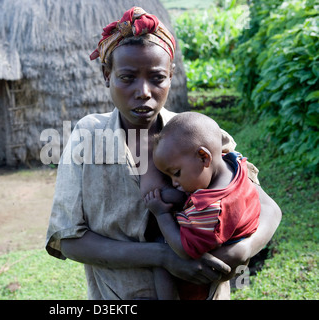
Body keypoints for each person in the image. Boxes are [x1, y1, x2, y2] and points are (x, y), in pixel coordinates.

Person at [45, 6, 281, 300]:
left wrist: (243, 249)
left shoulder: (195, 132)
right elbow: (68, 238)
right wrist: (162, 255)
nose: (143, 91)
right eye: (127, 77)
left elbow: (269, 208)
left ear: (171, 75)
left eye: (157, 78)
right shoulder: (87, 138)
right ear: (108, 75)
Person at [144, 112, 261, 299]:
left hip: (201, 276)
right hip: (221, 232)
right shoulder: (234, 164)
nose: (174, 182)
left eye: (176, 173)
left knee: (161, 253)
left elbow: (184, 250)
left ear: (203, 157)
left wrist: (161, 215)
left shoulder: (211, 209)